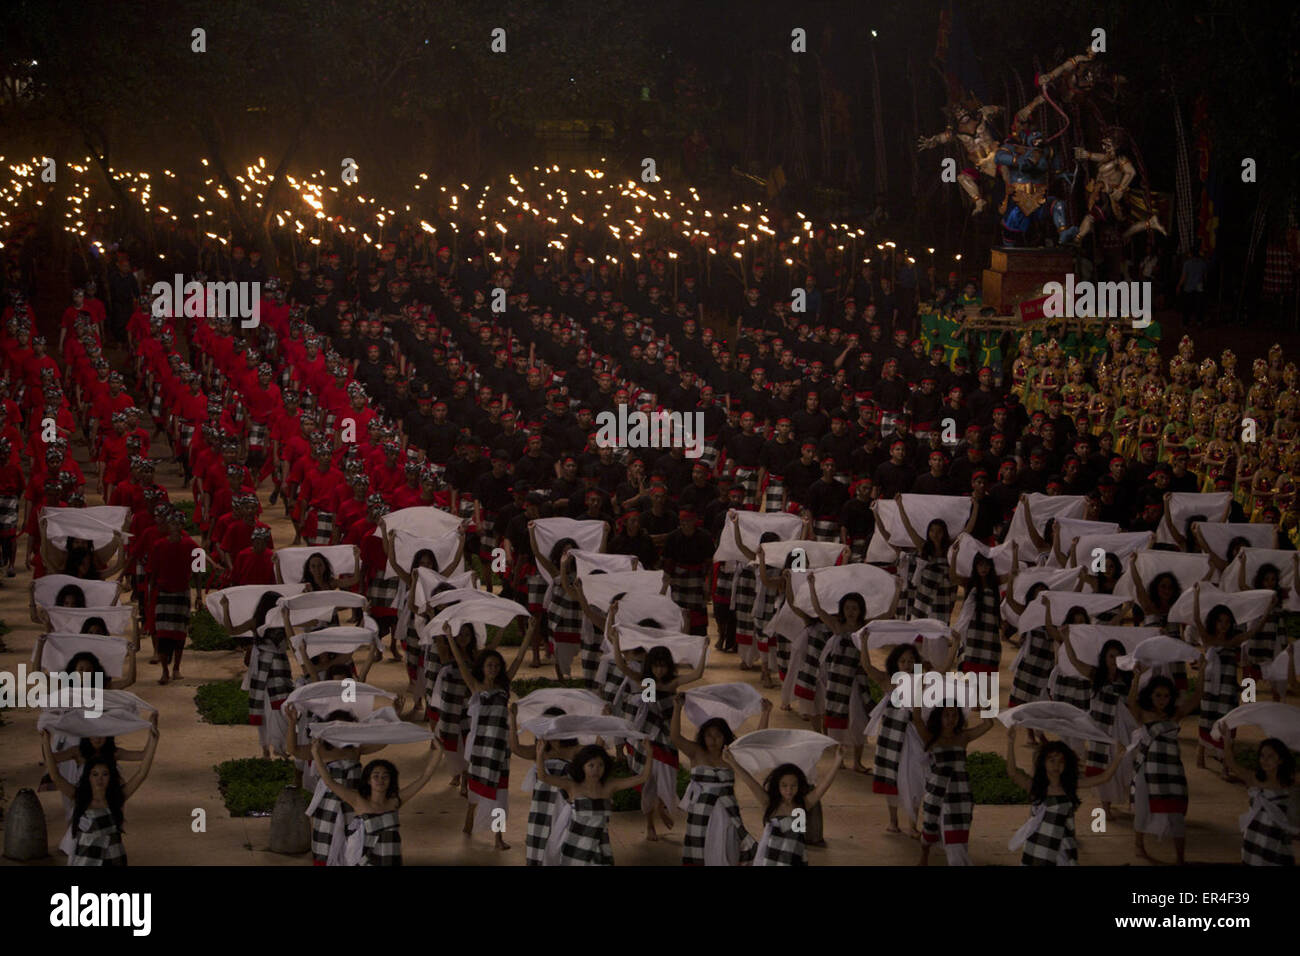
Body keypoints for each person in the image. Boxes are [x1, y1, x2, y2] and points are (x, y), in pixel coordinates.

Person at [445, 621, 532, 850]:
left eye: (496, 665)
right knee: (477, 790)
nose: (493, 668)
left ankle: (497, 837)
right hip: (479, 749)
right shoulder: (475, 686)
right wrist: (449, 637)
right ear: (482, 668)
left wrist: (529, 633)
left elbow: (519, 658)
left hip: (500, 749)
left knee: (500, 795)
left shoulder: (504, 687)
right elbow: (462, 666)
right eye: (489, 665)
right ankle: (469, 821)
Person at [670, 695, 773, 865]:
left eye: (718, 735)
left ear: (725, 737)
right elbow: (675, 737)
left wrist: (765, 713)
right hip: (700, 813)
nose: (713, 739)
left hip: (727, 813)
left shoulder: (730, 755)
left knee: (728, 848)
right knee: (700, 851)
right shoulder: (696, 752)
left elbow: (755, 743)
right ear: (702, 736)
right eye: (709, 735)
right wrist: (677, 708)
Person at [41, 723, 159, 866]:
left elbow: (141, 774)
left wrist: (153, 739)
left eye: (105, 774)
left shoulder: (117, 798)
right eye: (95, 774)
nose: (99, 779)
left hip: (114, 858)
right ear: (88, 777)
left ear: (111, 777)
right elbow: (55, 776)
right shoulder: (79, 796)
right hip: (86, 859)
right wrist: (46, 741)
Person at [310, 738, 441, 865]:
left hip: (392, 860)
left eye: (385, 776)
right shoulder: (358, 801)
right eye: (376, 776)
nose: (380, 780)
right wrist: (315, 753)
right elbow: (330, 782)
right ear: (368, 780)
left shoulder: (394, 802)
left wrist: (439, 751)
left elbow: (425, 777)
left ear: (391, 781)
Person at [1003, 728, 1122, 865]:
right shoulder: (1036, 786)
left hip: (1063, 846)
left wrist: (1118, 757)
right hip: (1039, 846)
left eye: (1061, 761)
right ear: (1043, 763)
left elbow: (1103, 778)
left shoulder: (1069, 785)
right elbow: (1012, 773)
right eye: (1052, 760)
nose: (1056, 765)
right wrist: (1010, 742)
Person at [1126, 665, 1205, 865]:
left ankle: (1180, 857)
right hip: (1147, 769)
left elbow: (1196, 698)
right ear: (1150, 696)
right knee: (1143, 807)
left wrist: (1202, 671)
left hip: (1172, 770)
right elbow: (1130, 702)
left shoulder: (1174, 715)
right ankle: (1138, 846)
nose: (1162, 700)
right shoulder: (1144, 715)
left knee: (1176, 812)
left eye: (1166, 696)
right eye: (1158, 695)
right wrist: (1136, 678)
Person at [533, 743, 652, 865]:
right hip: (575, 844)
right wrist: (540, 754)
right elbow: (543, 777)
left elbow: (643, 777)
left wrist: (649, 753)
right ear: (582, 766)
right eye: (591, 765)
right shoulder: (573, 786)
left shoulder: (609, 786)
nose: (596, 770)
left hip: (599, 845)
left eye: (601, 765)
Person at [724, 745, 843, 866]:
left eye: (793, 785)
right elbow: (749, 781)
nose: (789, 790)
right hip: (771, 859)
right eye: (784, 785)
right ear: (777, 786)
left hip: (794, 858)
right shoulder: (769, 804)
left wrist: (838, 760)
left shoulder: (803, 804)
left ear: (799, 785)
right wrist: (732, 762)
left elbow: (824, 786)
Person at [1219, 732, 1297, 866]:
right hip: (1254, 838)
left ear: (1281, 759)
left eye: (1270, 756)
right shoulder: (1254, 779)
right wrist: (1227, 741)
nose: (1264, 760)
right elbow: (1231, 764)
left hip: (1276, 841)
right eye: (1262, 755)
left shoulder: (1290, 784)